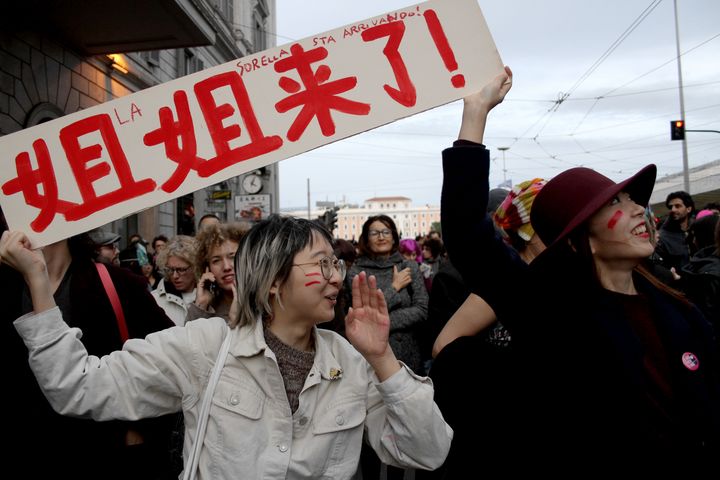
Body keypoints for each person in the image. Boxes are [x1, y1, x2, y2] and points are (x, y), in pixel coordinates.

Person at [1, 214, 452, 479]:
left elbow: (426, 452)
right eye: (322, 263)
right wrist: (39, 283)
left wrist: (381, 357)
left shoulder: (351, 363)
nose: (337, 277)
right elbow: (78, 386)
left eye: (336, 262)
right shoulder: (204, 346)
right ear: (274, 280)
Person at [439, 66, 719, 468]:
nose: (638, 210)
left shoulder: (679, 308)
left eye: (631, 200)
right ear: (575, 240)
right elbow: (468, 233)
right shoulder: (549, 308)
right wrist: (475, 114)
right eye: (613, 205)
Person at [0, 232, 179, 480]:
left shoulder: (117, 284)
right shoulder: (6, 288)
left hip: (104, 452)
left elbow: (171, 363)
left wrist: (139, 428)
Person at [345, 215, 429, 480]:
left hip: (404, 358)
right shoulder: (356, 272)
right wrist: (393, 288)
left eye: (386, 231)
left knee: (400, 426)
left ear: (394, 235)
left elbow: (422, 310)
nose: (381, 236)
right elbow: (361, 314)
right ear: (365, 238)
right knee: (369, 428)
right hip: (367, 360)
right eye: (374, 232)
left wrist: (379, 324)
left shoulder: (409, 268)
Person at [186, 222, 249, 323]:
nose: (226, 267)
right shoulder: (208, 307)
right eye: (216, 261)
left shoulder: (263, 300)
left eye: (232, 257)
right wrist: (201, 305)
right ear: (207, 268)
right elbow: (189, 337)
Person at [152, 235, 199, 326]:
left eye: (181, 270)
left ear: (195, 267)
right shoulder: (154, 300)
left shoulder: (211, 296)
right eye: (170, 269)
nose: (175, 276)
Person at [656, 191, 695, 272]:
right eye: (671, 207)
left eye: (677, 206)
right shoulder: (661, 237)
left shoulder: (696, 230)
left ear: (688, 209)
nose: (673, 210)